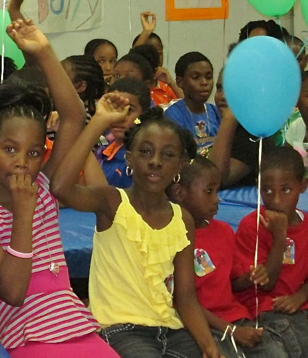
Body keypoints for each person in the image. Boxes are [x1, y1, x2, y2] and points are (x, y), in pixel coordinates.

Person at [0, 19, 118, 357]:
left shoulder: (43, 185)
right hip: (30, 338)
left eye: (33, 152)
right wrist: (24, 213)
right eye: (9, 149)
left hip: (77, 328)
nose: (22, 162)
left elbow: (73, 116)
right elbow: (13, 291)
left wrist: (44, 53)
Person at [51, 105, 222, 358]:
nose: (155, 161)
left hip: (170, 328)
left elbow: (185, 297)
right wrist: (98, 122)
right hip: (120, 330)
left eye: (167, 155)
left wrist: (210, 348)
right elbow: (61, 187)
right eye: (145, 152)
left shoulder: (182, 219)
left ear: (180, 165)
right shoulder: (112, 203)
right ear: (129, 158)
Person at [171, 156, 289, 358]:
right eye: (209, 192)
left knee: (276, 353)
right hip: (200, 327)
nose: (217, 199)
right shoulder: (171, 237)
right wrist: (231, 331)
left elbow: (233, 283)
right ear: (180, 193)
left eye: (217, 191)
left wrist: (250, 277)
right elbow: (182, 302)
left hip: (237, 318)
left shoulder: (224, 231)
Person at [235, 146, 308, 354]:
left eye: (285, 190)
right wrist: (279, 237)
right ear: (258, 187)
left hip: (298, 309)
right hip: (262, 313)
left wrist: (300, 296)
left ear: (302, 186)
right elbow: (266, 285)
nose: (275, 200)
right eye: (267, 190)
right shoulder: (251, 226)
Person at [210, 68, 275, 188]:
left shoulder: (253, 134)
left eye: (232, 90)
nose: (223, 96)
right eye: (220, 88)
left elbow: (214, 179)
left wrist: (229, 118)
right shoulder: (231, 127)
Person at [96, 78, 151, 188]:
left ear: (144, 114)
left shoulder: (142, 155)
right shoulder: (103, 146)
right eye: (114, 108)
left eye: (129, 110)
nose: (120, 117)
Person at [164, 52, 221, 156]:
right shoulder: (173, 115)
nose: (204, 82)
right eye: (195, 77)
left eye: (208, 77)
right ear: (180, 82)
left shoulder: (216, 112)